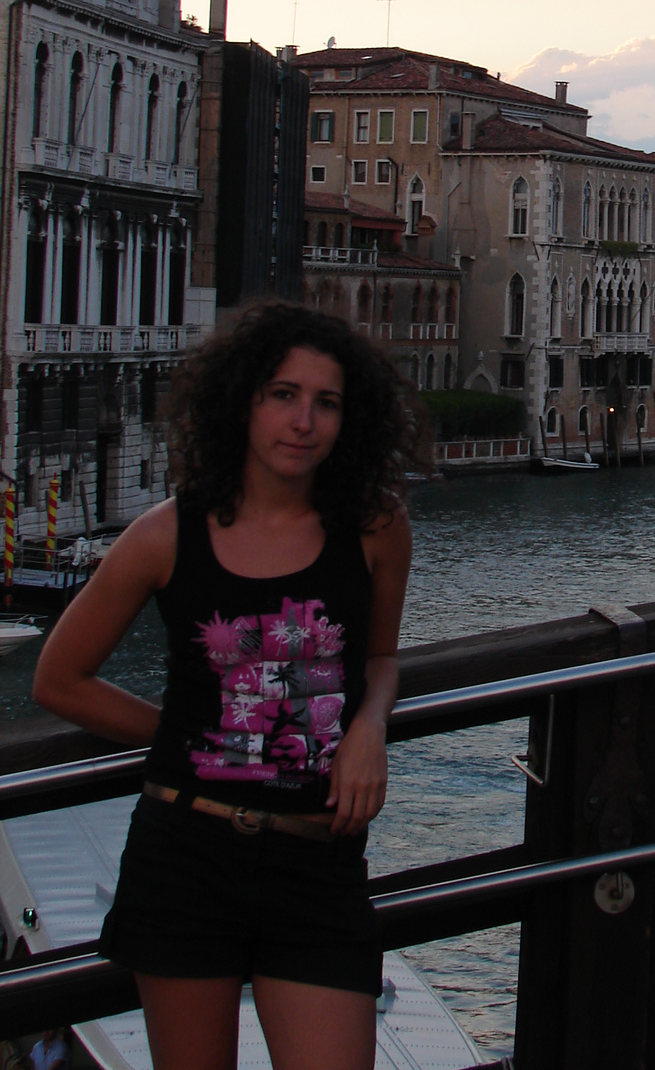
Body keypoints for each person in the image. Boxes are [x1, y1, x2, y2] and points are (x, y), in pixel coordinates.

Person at [34, 302, 424, 1070]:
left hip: (318, 862)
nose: (303, 420)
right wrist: (189, 736)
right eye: (283, 394)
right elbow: (60, 678)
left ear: (351, 418)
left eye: (326, 402)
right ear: (244, 400)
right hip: (187, 856)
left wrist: (369, 726)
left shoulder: (376, 527)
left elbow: (379, 660)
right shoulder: (165, 535)